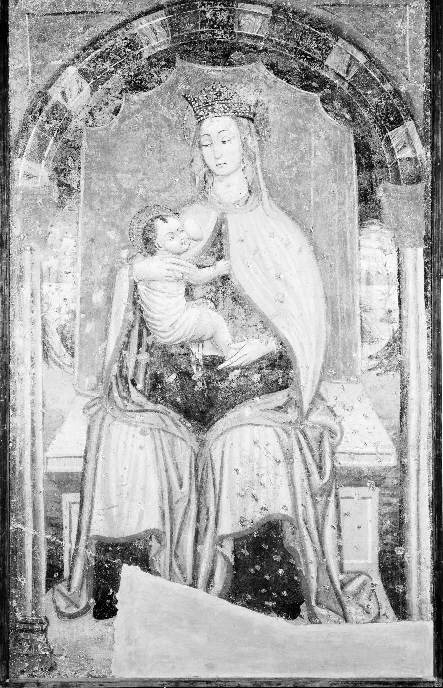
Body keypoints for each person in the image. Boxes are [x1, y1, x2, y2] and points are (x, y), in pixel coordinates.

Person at [53, 82, 394, 624]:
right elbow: (150, 302)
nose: (215, 151)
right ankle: (157, 600)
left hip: (255, 380)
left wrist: (269, 342)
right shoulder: (183, 222)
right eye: (206, 141)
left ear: (247, 146)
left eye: (225, 139)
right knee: (127, 437)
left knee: (245, 446)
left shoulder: (279, 231)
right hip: (181, 379)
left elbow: (301, 320)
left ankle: (247, 603)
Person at [132, 207, 233, 357]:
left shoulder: (148, 264)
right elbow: (198, 277)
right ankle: (231, 353)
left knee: (205, 305)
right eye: (171, 237)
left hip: (160, 326)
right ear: (158, 245)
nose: (182, 237)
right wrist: (217, 269)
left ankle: (206, 349)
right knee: (216, 321)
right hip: (174, 325)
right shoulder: (174, 265)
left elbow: (134, 270)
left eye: (181, 231)